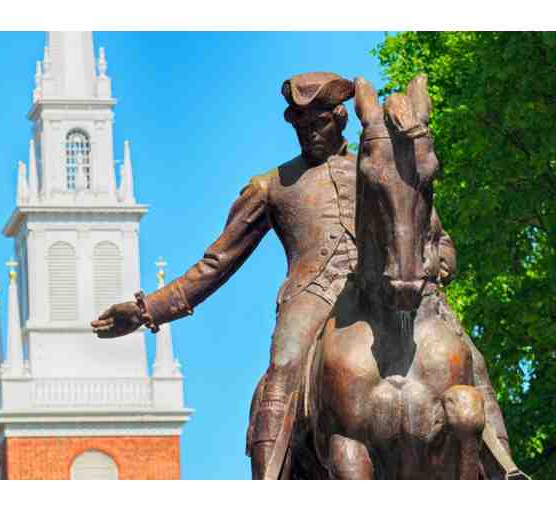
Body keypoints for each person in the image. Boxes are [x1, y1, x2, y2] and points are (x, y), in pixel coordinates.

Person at [90, 72, 491, 479]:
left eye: (319, 123)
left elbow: (431, 230)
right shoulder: (270, 186)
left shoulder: (377, 165)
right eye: (300, 125)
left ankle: (501, 467)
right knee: (283, 367)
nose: (309, 133)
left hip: (385, 285)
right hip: (312, 295)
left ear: (340, 119)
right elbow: (216, 263)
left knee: (466, 354)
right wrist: (147, 310)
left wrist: (440, 260)